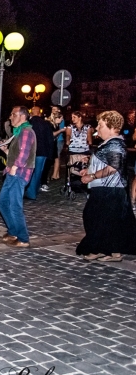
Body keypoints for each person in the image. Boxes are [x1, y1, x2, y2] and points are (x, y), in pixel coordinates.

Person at [76, 111, 136, 261]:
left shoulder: (115, 143)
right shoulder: (110, 142)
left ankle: (97, 249)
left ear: (111, 127)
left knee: (95, 218)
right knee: (108, 220)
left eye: (101, 125)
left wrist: (92, 176)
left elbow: (113, 167)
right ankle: (112, 252)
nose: (98, 128)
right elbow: (105, 162)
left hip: (110, 189)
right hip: (107, 188)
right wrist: (88, 169)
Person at [0, 106, 36, 248]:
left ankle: (23, 238)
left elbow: (24, 154)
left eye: (13, 114)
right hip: (12, 172)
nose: (10, 117)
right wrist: (6, 150)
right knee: (2, 202)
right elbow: (17, 153)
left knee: (14, 206)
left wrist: (15, 167)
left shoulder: (26, 132)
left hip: (18, 173)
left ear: (22, 116)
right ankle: (13, 232)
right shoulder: (18, 132)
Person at [26, 106, 54, 200]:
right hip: (42, 152)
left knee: (30, 172)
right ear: (39, 113)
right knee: (38, 172)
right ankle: (34, 192)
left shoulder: (28, 124)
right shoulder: (46, 124)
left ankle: (30, 191)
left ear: (31, 113)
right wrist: (50, 154)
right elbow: (50, 140)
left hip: (31, 151)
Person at [65, 111, 93, 179]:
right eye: (72, 117)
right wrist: (68, 140)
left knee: (84, 168)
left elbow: (89, 135)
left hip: (84, 151)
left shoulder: (87, 126)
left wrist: (89, 141)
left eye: (74, 117)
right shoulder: (70, 126)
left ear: (80, 118)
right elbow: (68, 134)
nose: (72, 119)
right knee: (73, 169)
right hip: (73, 151)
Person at [49, 106, 66, 180]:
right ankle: (57, 174)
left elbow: (60, 130)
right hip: (55, 140)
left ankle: (55, 175)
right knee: (55, 157)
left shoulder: (60, 119)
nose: (53, 110)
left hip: (58, 140)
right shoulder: (51, 119)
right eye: (52, 109)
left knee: (56, 157)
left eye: (55, 109)